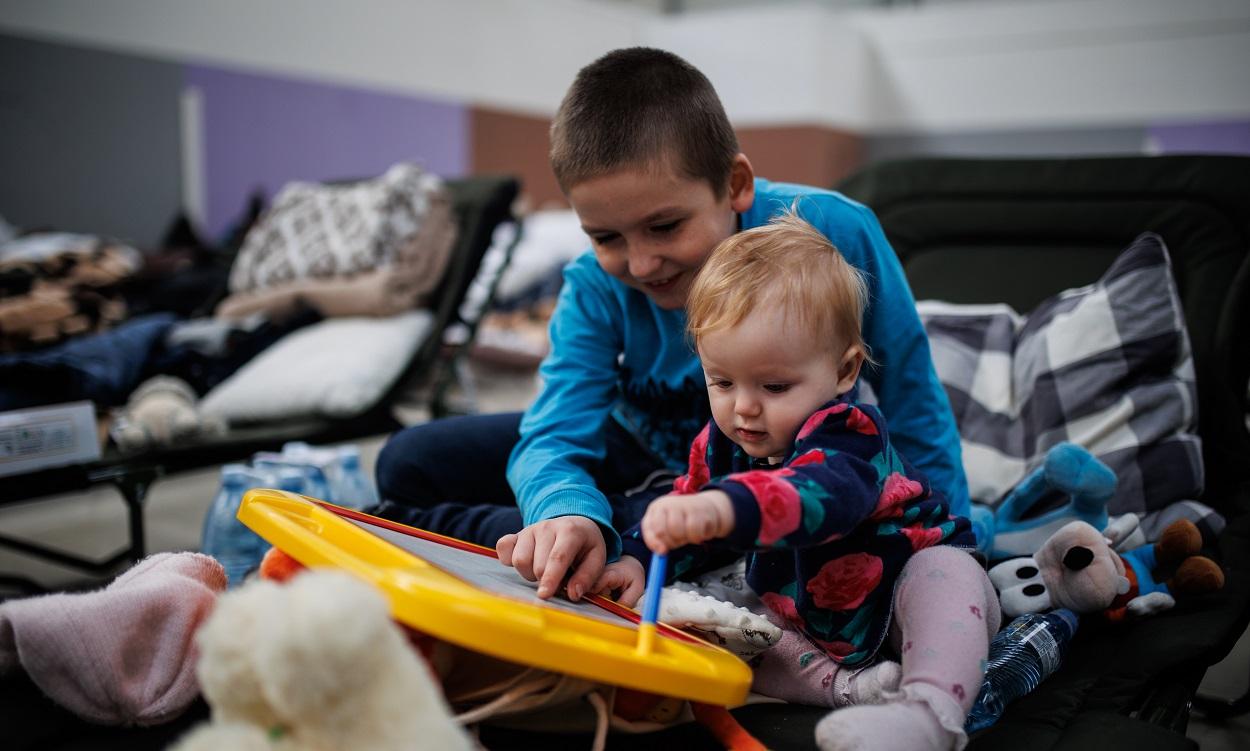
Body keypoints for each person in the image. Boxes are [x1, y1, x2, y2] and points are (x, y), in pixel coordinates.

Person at [372, 46, 968, 606]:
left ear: (734, 186)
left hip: (757, 469)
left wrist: (958, 542)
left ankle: (511, 535)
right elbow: (554, 433)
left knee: (656, 522)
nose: (640, 264)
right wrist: (564, 509)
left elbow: (911, 394)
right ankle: (574, 533)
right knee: (407, 459)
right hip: (635, 450)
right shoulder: (594, 284)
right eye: (606, 237)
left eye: (664, 227)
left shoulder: (832, 231)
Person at [608, 212, 998, 751]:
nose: (743, 409)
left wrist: (724, 508)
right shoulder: (722, 444)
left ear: (844, 372)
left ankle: (929, 714)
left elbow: (824, 498)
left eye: (773, 385)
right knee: (731, 627)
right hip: (812, 624)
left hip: (906, 597)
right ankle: (852, 691)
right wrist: (635, 558)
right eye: (720, 381)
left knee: (946, 574)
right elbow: (691, 522)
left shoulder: (848, 434)